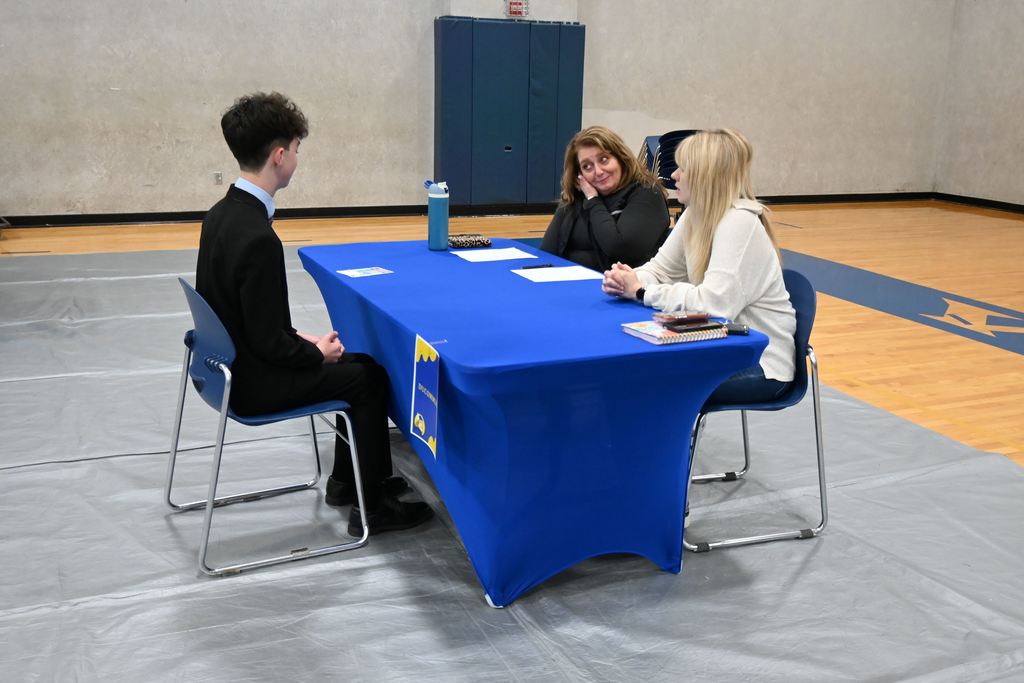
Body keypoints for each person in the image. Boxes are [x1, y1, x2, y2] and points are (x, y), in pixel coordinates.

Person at [195, 92, 432, 536]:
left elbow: (250, 321)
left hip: (223, 368)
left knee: (357, 363)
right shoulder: (257, 238)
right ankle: (373, 502)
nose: (297, 159)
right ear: (280, 155)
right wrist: (315, 352)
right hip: (252, 383)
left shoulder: (219, 215)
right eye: (297, 150)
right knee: (367, 378)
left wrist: (307, 343)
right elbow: (269, 343)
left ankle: (348, 482)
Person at [601, 128, 796, 404]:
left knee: (647, 382)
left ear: (707, 177)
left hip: (759, 363)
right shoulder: (696, 213)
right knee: (632, 372)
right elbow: (661, 270)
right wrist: (627, 279)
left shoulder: (739, 222)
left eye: (683, 169)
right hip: (718, 347)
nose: (674, 176)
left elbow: (714, 305)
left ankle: (658, 447)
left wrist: (643, 292)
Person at [540, 126, 671, 271]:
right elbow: (547, 251)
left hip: (619, 288)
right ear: (579, 175)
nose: (598, 171)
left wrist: (593, 201)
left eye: (604, 159)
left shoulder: (647, 193)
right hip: (568, 284)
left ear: (620, 158)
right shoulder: (576, 197)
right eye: (587, 166)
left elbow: (621, 250)